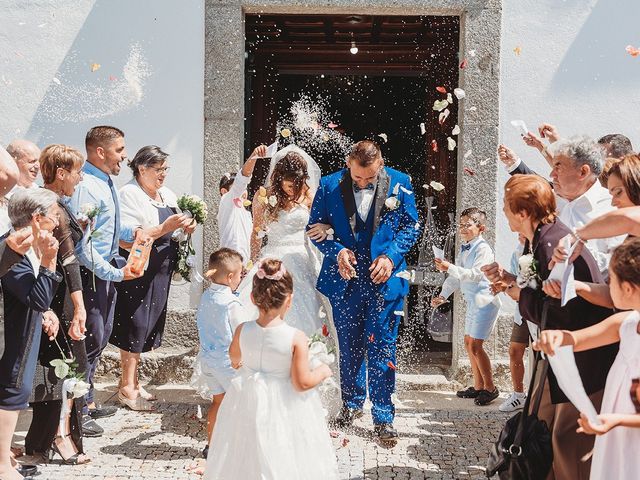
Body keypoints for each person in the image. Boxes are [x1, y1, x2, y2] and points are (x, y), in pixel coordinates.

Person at [482, 174, 618, 480]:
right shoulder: (544, 236)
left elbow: (559, 309)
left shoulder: (550, 242)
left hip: (583, 359)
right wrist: (509, 280)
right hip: (560, 356)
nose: (503, 213)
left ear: (523, 213)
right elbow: (544, 292)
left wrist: (515, 291)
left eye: (506, 206)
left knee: (565, 440)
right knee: (541, 427)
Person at [308, 140, 420, 441]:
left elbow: (412, 227)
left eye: (369, 178)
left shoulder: (401, 182)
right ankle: (351, 403)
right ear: (348, 163)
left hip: (384, 279)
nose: (363, 182)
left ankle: (383, 415)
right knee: (349, 344)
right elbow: (314, 228)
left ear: (380, 163)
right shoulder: (329, 184)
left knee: (382, 345)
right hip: (345, 280)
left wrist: (391, 255)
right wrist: (338, 251)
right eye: (357, 178)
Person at [203, 258, 338, 480]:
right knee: (285, 454)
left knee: (246, 452)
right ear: (290, 300)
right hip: (286, 408)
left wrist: (249, 366)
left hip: (247, 401)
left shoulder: (242, 330)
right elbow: (301, 382)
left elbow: (235, 359)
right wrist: (323, 371)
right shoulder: (296, 338)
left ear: (252, 298)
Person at [534, 238, 640, 480]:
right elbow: (577, 339)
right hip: (615, 437)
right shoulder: (627, 322)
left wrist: (615, 420)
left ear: (628, 289)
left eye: (610, 280)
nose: (606, 285)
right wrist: (555, 337)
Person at [67, 126, 144, 437]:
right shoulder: (86, 186)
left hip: (106, 270)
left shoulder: (104, 181)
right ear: (100, 152)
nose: (124, 156)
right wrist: (114, 273)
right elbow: (82, 247)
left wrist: (137, 231)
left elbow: (108, 227)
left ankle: (88, 399)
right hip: (91, 274)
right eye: (119, 150)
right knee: (86, 341)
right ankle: (77, 411)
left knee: (99, 338)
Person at [110, 145, 194, 410]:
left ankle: (134, 382)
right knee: (134, 323)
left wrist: (185, 227)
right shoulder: (129, 194)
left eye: (165, 169)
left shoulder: (166, 193)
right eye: (158, 169)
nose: (163, 175)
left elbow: (175, 230)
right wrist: (164, 227)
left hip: (161, 267)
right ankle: (126, 387)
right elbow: (128, 236)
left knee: (148, 324)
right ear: (142, 168)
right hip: (139, 267)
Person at [24, 145, 90, 464]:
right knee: (64, 368)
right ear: (61, 174)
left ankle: (43, 440)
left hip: (51, 292)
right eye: (76, 172)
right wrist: (79, 309)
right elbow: (68, 260)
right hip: (55, 296)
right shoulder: (52, 205)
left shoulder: (51, 201)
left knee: (54, 368)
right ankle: (58, 439)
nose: (79, 178)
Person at [0, 189, 62, 480]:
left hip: (24, 329)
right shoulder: (15, 252)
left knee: (17, 388)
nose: (58, 220)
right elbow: (34, 298)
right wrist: (50, 262)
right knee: (13, 391)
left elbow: (36, 300)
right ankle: (2, 465)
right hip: (13, 334)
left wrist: (47, 310)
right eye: (54, 215)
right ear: (37, 218)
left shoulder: (25, 249)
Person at [238, 145, 329, 336]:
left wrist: (325, 228)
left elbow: (324, 225)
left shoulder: (310, 195)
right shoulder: (264, 196)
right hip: (272, 255)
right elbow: (256, 233)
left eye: (297, 184)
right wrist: (253, 260)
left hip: (301, 257)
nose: (292, 190)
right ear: (279, 178)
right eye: (288, 185)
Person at [431, 208, 500, 406]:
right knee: (468, 343)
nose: (462, 228)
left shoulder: (483, 249)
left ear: (481, 228)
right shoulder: (465, 247)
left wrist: (448, 266)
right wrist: (443, 295)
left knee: (476, 345)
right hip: (473, 301)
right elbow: (455, 278)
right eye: (460, 225)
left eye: (467, 225)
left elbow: (475, 274)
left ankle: (490, 387)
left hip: (485, 301)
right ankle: (478, 386)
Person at [190, 248, 244, 462]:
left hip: (208, 361)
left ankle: (212, 447)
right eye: (240, 275)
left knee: (218, 403)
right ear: (230, 277)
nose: (241, 279)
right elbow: (240, 333)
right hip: (228, 364)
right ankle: (237, 449)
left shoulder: (206, 296)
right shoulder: (231, 304)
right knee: (240, 405)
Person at [217, 145, 267, 265]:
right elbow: (242, 180)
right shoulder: (227, 201)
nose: (243, 191)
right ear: (224, 192)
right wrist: (254, 156)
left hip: (247, 265)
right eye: (238, 189)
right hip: (231, 263)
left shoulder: (246, 213)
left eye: (245, 189)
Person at [498, 233, 530, 413]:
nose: (520, 233)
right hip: (522, 311)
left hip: (538, 310)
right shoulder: (516, 253)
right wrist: (501, 286)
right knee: (514, 351)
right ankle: (518, 395)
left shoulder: (541, 249)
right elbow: (513, 283)